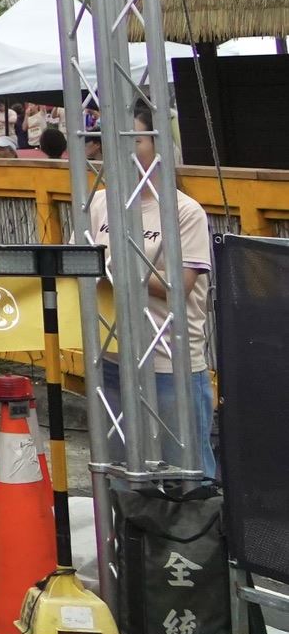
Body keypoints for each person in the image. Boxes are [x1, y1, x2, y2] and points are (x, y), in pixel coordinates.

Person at [87, 102, 217, 477]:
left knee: (184, 478)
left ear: (159, 144)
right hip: (113, 359)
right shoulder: (99, 203)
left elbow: (177, 286)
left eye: (134, 139)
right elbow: (83, 266)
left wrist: (113, 264)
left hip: (168, 363)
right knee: (119, 474)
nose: (122, 150)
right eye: (113, 140)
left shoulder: (184, 211)